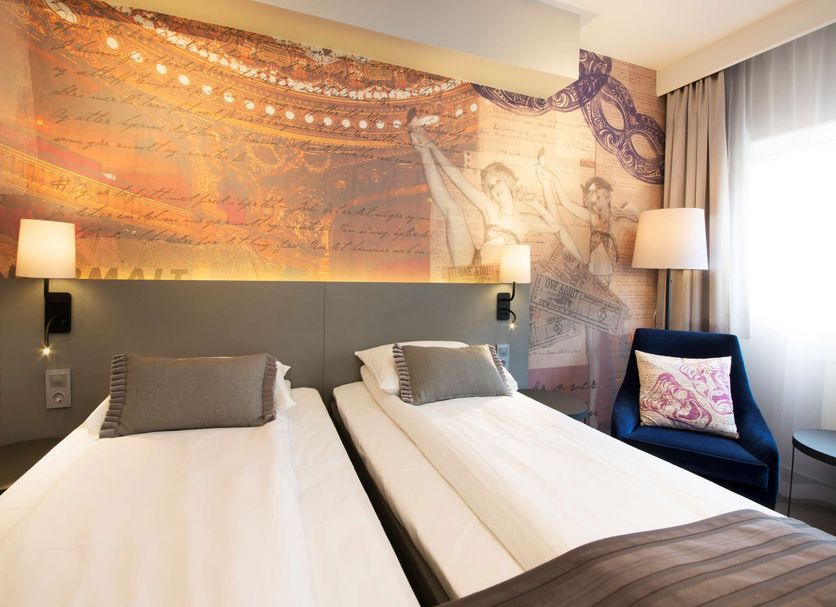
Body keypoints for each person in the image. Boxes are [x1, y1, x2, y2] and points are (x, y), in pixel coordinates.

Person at [536, 149, 638, 426]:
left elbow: (640, 215)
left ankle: (597, 415)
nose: (593, 200)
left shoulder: (616, 217)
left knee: (607, 352)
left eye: (597, 194)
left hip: (606, 291)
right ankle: (592, 416)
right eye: (590, 196)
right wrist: (551, 176)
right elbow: (567, 203)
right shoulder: (593, 220)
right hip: (592, 289)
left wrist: (628, 211)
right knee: (593, 352)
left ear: (607, 194)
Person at [408, 112, 582, 268]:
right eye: (490, 186)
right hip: (474, 264)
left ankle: (423, 144)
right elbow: (458, 180)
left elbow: (555, 227)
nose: (494, 187)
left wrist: (535, 204)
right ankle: (423, 148)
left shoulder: (525, 221)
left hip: (499, 277)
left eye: (498, 181)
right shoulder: (488, 206)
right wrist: (432, 146)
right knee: (453, 211)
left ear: (509, 182)